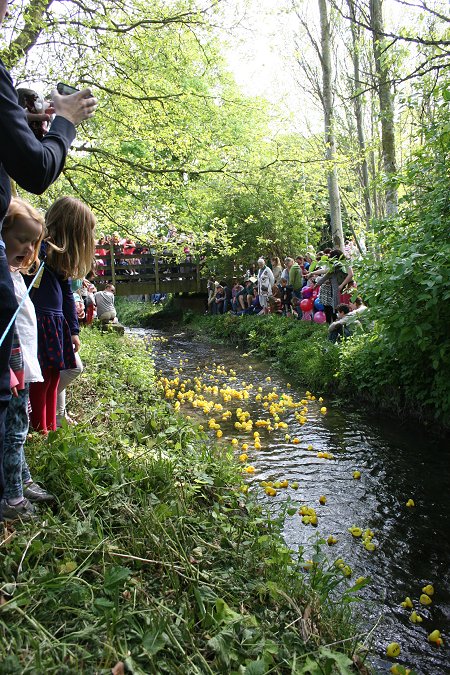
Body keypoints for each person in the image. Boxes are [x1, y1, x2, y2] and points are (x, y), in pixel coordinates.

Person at [0, 0, 97, 502]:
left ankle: (19, 477)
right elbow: (36, 169)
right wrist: (62, 122)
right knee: (12, 388)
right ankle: (12, 492)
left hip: (49, 347)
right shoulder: (43, 264)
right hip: (35, 346)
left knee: (20, 391)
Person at [1, 198, 55, 521]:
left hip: (23, 364)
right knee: (14, 431)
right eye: (22, 238)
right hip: (12, 367)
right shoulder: (2, 275)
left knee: (19, 427)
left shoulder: (16, 272)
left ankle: (23, 479)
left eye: (33, 242)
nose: (28, 248)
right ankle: (13, 499)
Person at [26, 197, 96, 433]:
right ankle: (39, 427)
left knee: (54, 375)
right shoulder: (40, 250)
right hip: (40, 320)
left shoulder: (61, 260)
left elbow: (67, 295)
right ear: (72, 230)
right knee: (42, 377)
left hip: (56, 322)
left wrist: (74, 331)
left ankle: (50, 426)